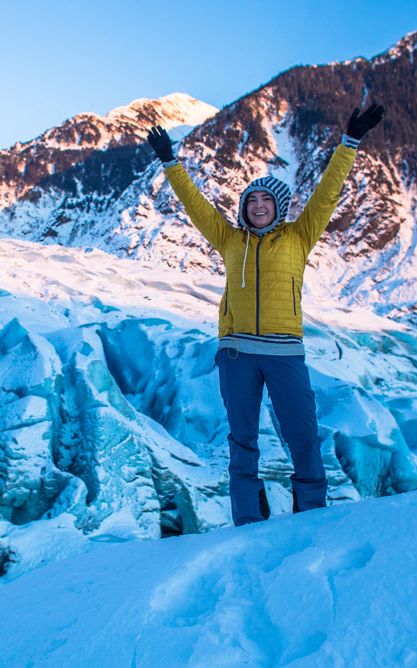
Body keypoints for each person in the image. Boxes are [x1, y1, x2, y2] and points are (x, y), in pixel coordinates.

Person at [146, 104, 384, 526]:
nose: (257, 206)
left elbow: (329, 191)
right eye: (250, 200)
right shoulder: (229, 239)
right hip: (237, 354)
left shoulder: (299, 235)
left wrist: (350, 141)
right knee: (242, 442)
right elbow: (196, 205)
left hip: (285, 355)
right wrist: (170, 162)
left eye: (265, 199)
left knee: (303, 437)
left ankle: (310, 516)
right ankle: (248, 521)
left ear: (280, 205)